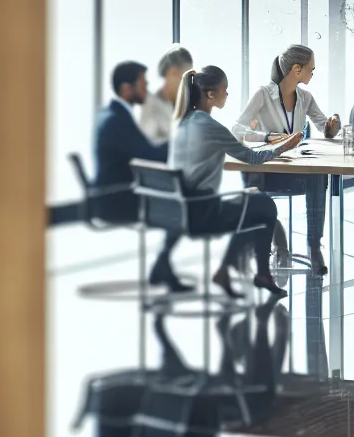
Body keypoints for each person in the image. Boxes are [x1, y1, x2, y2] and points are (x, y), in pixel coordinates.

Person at [168, 66, 301, 298]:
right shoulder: (209, 125)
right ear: (211, 94)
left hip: (181, 208)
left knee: (256, 203)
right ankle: (255, 274)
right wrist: (285, 146)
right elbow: (252, 158)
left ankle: (237, 272)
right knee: (265, 207)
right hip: (203, 212)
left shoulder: (184, 122)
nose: (227, 95)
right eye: (224, 90)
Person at [233, 45, 339, 275]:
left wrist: (332, 126)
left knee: (319, 176)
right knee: (252, 185)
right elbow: (237, 129)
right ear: (296, 69)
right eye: (311, 68)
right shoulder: (263, 94)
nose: (313, 72)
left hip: (295, 171)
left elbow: (325, 129)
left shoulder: (305, 97)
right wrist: (268, 136)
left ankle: (313, 246)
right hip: (268, 171)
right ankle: (278, 243)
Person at [93, 61, 187, 290]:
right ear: (127, 89)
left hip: (112, 193)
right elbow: (149, 155)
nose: (146, 88)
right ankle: (162, 265)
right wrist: (182, 143)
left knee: (178, 197)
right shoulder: (118, 121)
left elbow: (142, 153)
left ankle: (162, 265)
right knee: (184, 206)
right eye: (142, 84)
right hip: (117, 199)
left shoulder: (113, 115)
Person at [139, 44, 193, 144]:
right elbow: (145, 146)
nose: (186, 85)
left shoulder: (187, 107)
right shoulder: (150, 105)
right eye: (183, 78)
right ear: (172, 73)